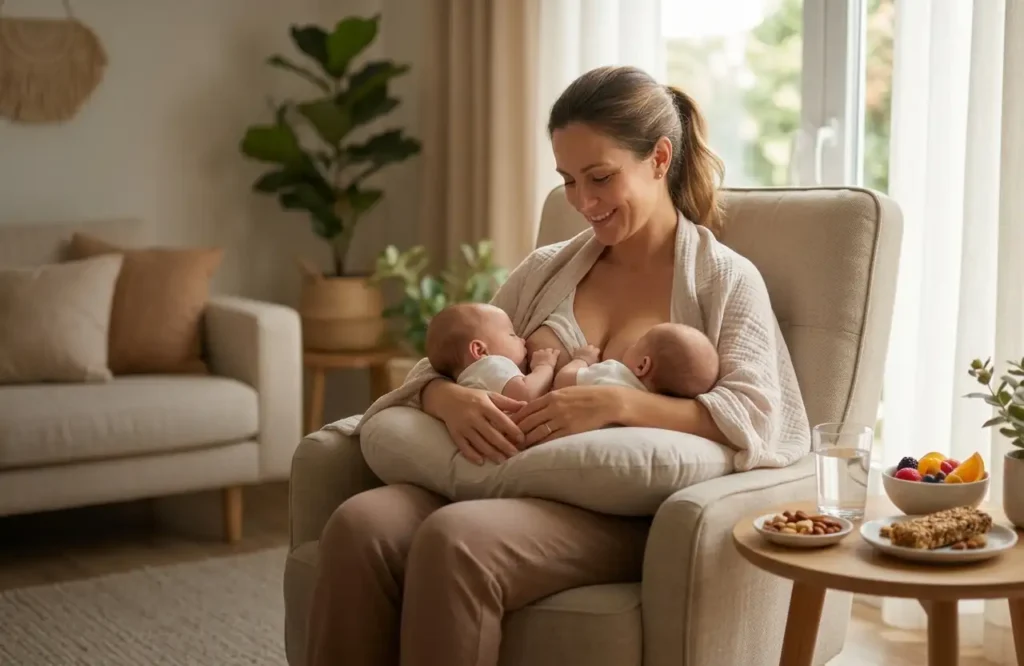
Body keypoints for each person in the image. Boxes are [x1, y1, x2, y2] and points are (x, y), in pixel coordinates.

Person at [306, 65, 810, 666]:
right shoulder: (547, 268)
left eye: (600, 177)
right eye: (568, 180)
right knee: (359, 525)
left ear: (659, 158)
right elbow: (441, 363)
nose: (583, 202)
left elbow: (760, 419)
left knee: (456, 540)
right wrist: (450, 399)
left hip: (621, 513)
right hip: (499, 478)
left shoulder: (722, 279)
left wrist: (621, 403)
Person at [424, 302, 562, 402]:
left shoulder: (467, 378)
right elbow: (526, 393)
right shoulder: (489, 365)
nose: (522, 340)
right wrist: (544, 366)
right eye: (512, 335)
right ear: (480, 350)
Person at [553, 322, 720, 396]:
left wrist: (582, 360)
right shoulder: (658, 414)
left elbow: (562, 381)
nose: (632, 345)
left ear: (642, 366)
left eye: (639, 343)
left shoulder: (614, 373)